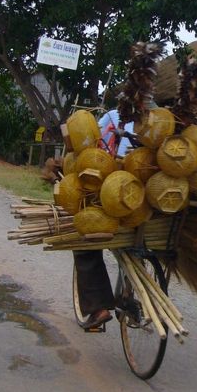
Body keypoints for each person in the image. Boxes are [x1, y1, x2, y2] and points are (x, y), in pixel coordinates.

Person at [72, 106, 134, 332]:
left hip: (114, 188)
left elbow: (89, 142)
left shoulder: (114, 115)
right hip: (141, 195)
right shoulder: (160, 119)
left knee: (84, 242)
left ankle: (99, 309)